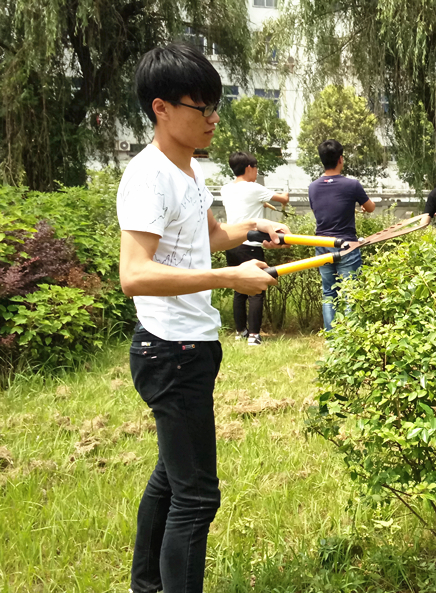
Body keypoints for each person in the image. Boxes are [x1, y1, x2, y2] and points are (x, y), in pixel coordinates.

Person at [116, 44, 290, 593]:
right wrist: (227, 279)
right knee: (196, 497)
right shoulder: (147, 177)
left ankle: (145, 586)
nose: (214, 118)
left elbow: (208, 238)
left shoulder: (189, 171)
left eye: (215, 106)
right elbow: (136, 275)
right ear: (161, 108)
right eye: (202, 108)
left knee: (171, 478)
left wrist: (253, 229)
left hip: (193, 344)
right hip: (170, 351)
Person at [221, 151, 289, 345]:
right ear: (249, 168)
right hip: (250, 245)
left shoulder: (226, 189)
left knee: (239, 288)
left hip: (231, 244)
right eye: (256, 168)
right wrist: (285, 195)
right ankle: (254, 336)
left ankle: (240, 331)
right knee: (256, 290)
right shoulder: (253, 188)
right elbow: (282, 199)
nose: (256, 172)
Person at [308, 139, 375, 332]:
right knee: (350, 293)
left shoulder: (313, 187)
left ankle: (332, 338)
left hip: (321, 242)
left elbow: (319, 209)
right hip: (347, 244)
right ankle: (351, 337)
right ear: (341, 159)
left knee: (328, 292)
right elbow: (370, 207)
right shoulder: (352, 185)